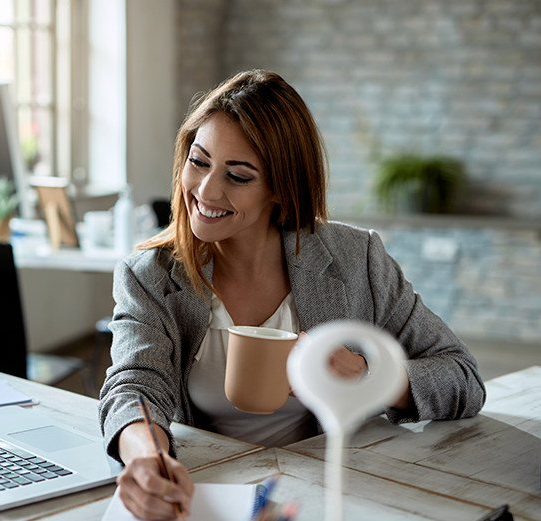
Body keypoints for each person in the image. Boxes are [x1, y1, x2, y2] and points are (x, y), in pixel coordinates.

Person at [98, 69, 486, 521]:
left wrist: (369, 375)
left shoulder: (355, 258)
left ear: (281, 188)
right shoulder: (149, 274)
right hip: (217, 495)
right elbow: (134, 385)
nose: (205, 190)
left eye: (238, 176)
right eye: (199, 161)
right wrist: (147, 456)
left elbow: (463, 379)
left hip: (341, 493)